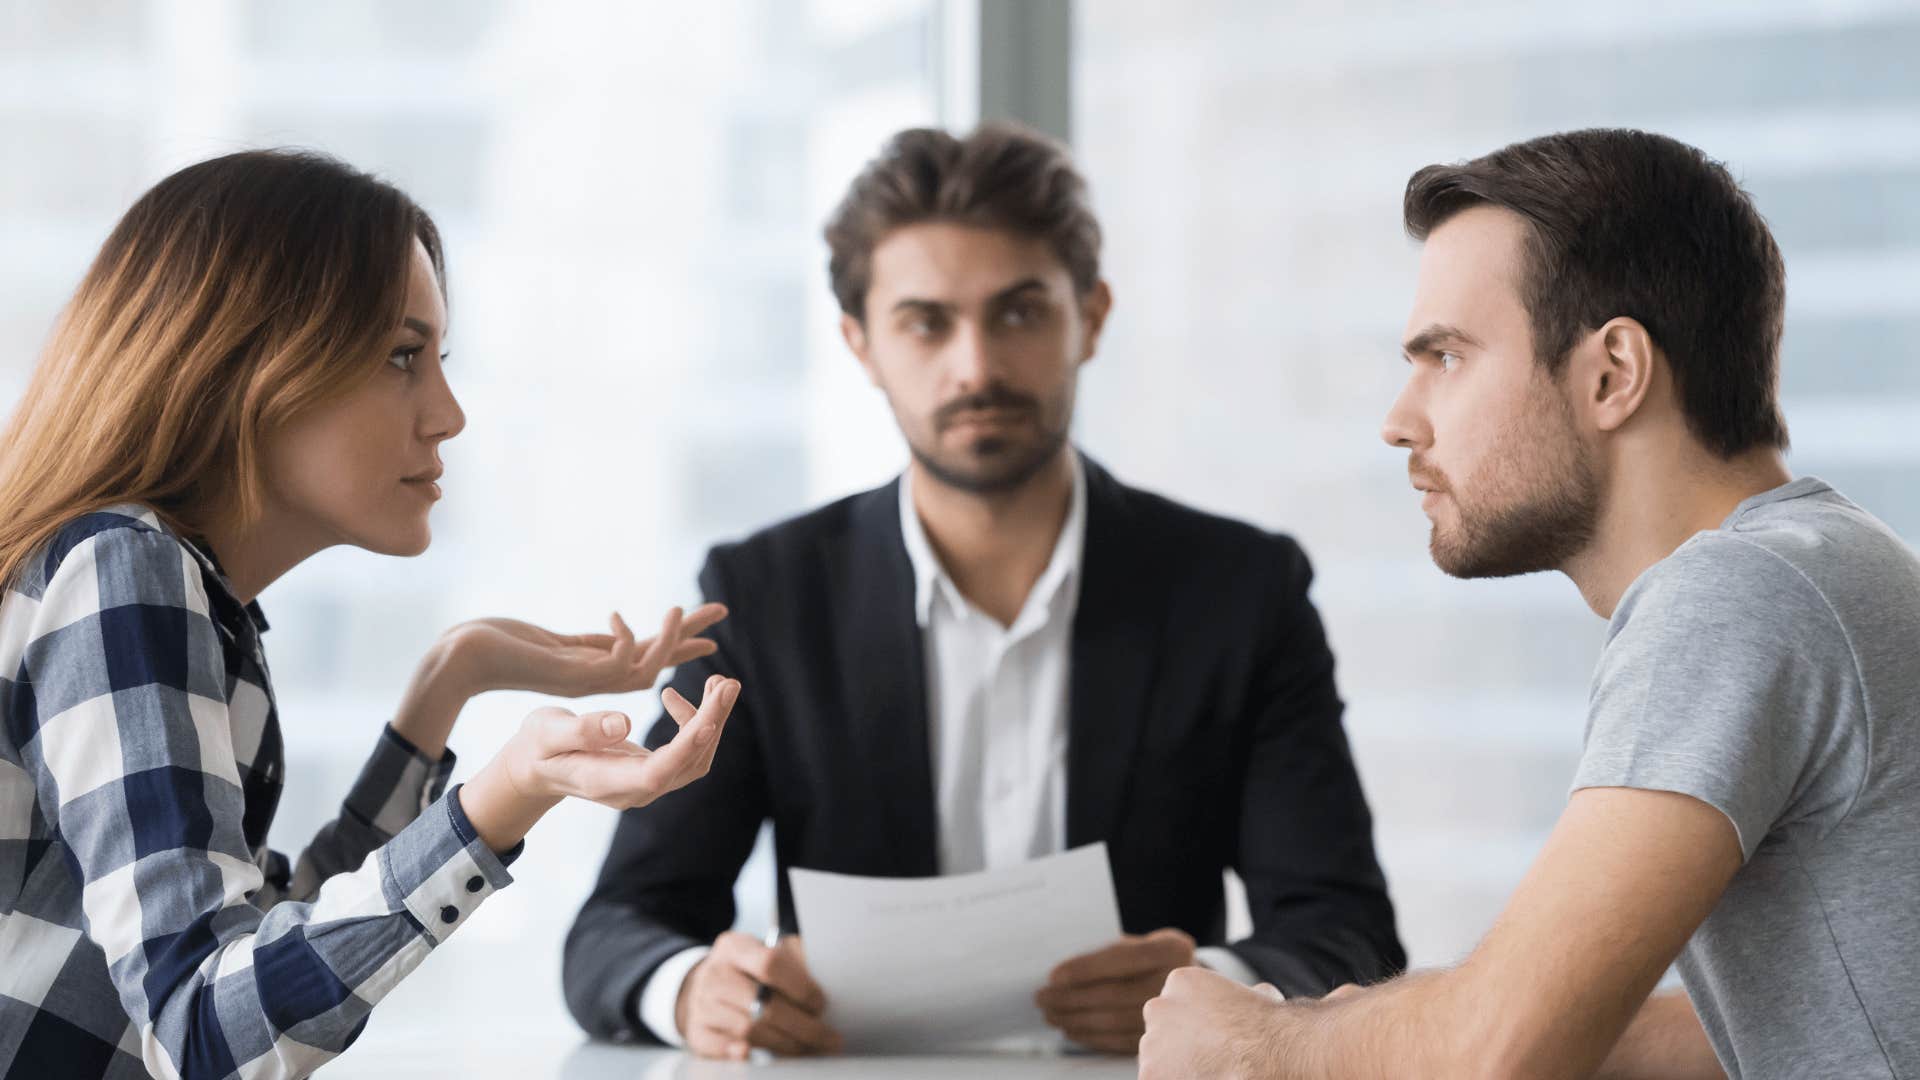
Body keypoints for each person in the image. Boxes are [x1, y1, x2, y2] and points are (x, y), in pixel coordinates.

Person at [562, 123, 1403, 1061]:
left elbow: (1346, 929)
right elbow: (617, 929)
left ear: (1092, 316)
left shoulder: (1242, 592)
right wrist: (693, 994)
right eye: (926, 322)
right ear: (860, 344)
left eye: (1019, 313)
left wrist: (1217, 987)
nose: (976, 367)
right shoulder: (763, 597)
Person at [1140, 128, 1920, 1078]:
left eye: (1448, 357)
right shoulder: (1838, 564)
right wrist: (1383, 1029)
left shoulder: (1733, 597)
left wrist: (1259, 1047)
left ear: (1611, 375)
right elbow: (1785, 1023)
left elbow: (1494, 1060)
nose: (1400, 420)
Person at [0, 150, 739, 1080]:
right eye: (401, 355)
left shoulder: (169, 586)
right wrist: (506, 792)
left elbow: (252, 953)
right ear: (246, 362)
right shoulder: (123, 571)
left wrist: (449, 683)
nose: (449, 414)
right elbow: (207, 1031)